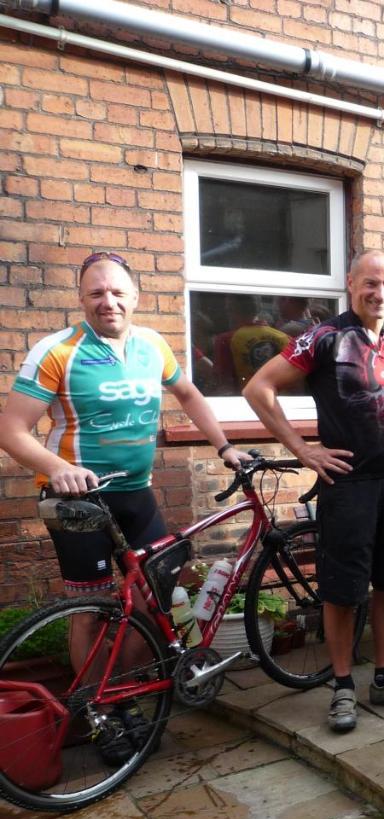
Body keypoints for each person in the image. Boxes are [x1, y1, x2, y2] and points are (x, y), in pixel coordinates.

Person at [0, 252, 252, 759]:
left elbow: (190, 393)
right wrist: (56, 468)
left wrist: (225, 446)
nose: (107, 302)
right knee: (90, 609)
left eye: (117, 292)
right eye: (96, 293)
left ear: (134, 296)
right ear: (81, 299)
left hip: (135, 491)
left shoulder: (152, 345)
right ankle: (97, 711)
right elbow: (11, 429)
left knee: (155, 590)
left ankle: (123, 694)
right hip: (78, 501)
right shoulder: (58, 351)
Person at [243, 251, 384, 733]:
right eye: (371, 283)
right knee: (342, 590)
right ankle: (343, 687)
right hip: (346, 484)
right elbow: (259, 389)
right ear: (351, 284)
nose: (381, 294)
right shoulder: (324, 338)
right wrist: (305, 452)